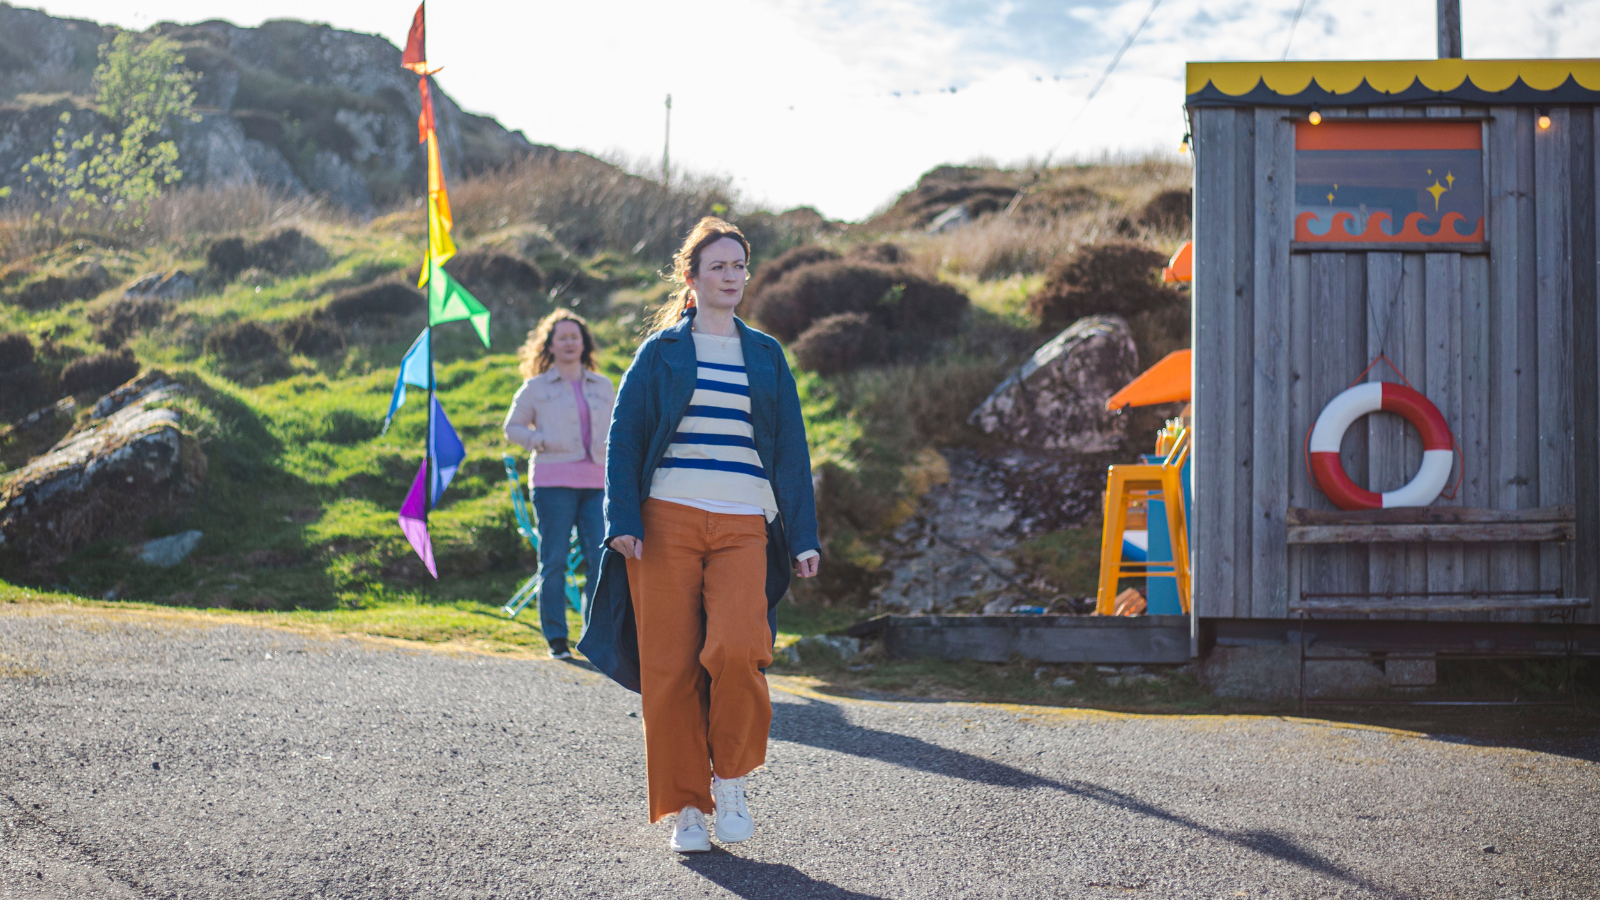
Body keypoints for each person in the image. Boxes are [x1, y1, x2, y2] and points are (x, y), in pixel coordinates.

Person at [578, 217, 820, 854]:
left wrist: (803, 535)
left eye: (740, 266)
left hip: (744, 524)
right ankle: (686, 805)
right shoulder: (660, 352)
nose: (733, 276)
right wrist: (622, 521)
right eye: (719, 266)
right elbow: (624, 439)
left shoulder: (765, 354)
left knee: (740, 647)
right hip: (665, 523)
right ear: (692, 277)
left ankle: (731, 778)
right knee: (671, 668)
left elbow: (791, 449)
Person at [502, 310, 615, 660]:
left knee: (600, 562)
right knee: (553, 561)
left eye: (574, 337)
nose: (569, 343)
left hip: (598, 483)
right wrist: (542, 440)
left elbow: (619, 427)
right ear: (549, 345)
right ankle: (556, 639)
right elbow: (513, 428)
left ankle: (594, 638)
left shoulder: (604, 385)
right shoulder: (535, 388)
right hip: (553, 483)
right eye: (561, 337)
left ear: (584, 343)